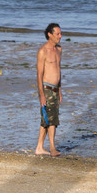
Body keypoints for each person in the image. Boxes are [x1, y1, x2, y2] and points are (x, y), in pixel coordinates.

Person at [35, 22, 64, 156]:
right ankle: (52, 148)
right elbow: (39, 74)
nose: (60, 36)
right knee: (52, 120)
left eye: (60, 33)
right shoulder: (43, 51)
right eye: (57, 34)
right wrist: (41, 95)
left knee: (46, 119)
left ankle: (39, 147)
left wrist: (60, 90)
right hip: (46, 88)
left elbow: (58, 71)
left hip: (55, 89)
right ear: (49, 35)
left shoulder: (59, 50)